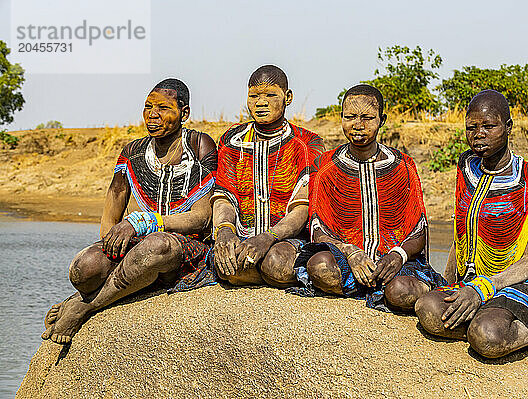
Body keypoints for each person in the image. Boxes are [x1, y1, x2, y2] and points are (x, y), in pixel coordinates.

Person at [415, 90, 528, 363]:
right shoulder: (466, 166)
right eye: (472, 127)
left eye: (489, 126)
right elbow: (462, 233)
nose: (479, 134)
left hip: (521, 281)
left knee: (486, 336)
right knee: (428, 309)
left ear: (508, 127)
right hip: (475, 277)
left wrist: (482, 290)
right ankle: (516, 329)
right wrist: (450, 282)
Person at [42, 78, 217, 344]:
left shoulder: (198, 145)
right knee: (84, 267)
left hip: (185, 248)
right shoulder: (133, 151)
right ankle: (83, 293)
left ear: (184, 113)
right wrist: (108, 247)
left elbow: (201, 218)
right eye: (148, 107)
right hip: (141, 245)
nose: (153, 115)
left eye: (163, 108)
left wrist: (144, 223)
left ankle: (83, 307)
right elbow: (114, 202)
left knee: (156, 245)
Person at [289, 84, 445, 311]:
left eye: (367, 118)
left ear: (382, 119)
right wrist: (350, 252)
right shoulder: (326, 166)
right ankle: (369, 286)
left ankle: (397, 287)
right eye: (350, 117)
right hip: (348, 261)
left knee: (401, 291)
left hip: (394, 265)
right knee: (320, 266)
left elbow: (417, 230)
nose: (358, 125)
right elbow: (318, 228)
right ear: (341, 118)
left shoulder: (402, 166)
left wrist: (397, 256)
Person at [211, 65, 325, 287]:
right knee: (229, 265)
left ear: (288, 97)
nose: (260, 103)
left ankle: (265, 270)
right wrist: (225, 230)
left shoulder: (307, 143)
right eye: (254, 96)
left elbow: (302, 208)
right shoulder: (232, 140)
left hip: (286, 237)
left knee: (276, 264)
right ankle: (256, 271)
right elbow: (224, 195)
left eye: (270, 95)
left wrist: (267, 238)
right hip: (243, 232)